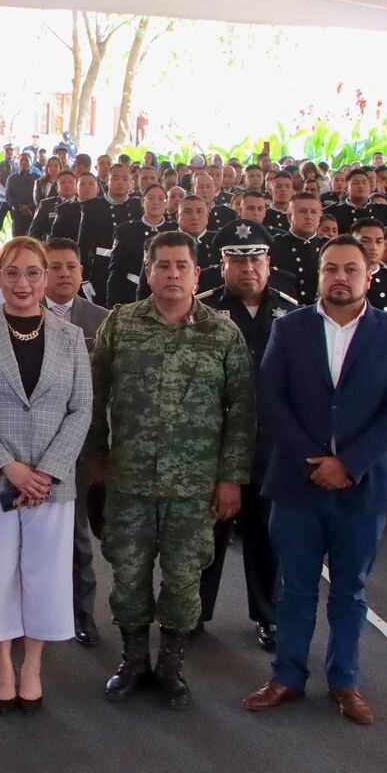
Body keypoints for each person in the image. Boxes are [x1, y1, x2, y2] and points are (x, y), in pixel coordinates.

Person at [243, 237, 387, 725]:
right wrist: (314, 461)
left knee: (350, 592)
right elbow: (271, 398)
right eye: (330, 269)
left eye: (351, 269)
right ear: (318, 274)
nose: (340, 277)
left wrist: (349, 464)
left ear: (369, 276)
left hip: (363, 488)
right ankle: (287, 677)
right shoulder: (291, 329)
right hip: (298, 485)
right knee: (294, 590)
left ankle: (345, 681)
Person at [88, 230, 255, 711]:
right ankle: (134, 660)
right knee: (129, 574)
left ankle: (171, 665)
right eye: (162, 265)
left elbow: (241, 412)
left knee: (184, 580)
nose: (172, 274)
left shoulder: (222, 333)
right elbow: (95, 398)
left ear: (197, 273)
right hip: (129, 481)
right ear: (148, 271)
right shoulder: (121, 324)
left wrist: (230, 478)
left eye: (181, 265)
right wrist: (96, 461)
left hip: (194, 486)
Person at [0, 236, 92, 714]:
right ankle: (3, 666)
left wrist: (47, 471)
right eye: (13, 272)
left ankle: (32, 664)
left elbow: (81, 410)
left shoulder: (71, 338)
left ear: (47, 278)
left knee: (46, 575)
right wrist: (9, 466)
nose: (24, 282)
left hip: (52, 482)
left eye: (34, 272)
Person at [194, 229, 293, 650]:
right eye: (238, 261)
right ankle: (193, 612)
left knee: (267, 533)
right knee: (207, 532)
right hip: (214, 439)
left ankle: (268, 616)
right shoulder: (203, 311)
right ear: (223, 266)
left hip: (271, 444)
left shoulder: (291, 313)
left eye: (256, 261)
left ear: (268, 263)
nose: (248, 269)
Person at [40, 238, 110, 646]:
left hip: (82, 444)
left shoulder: (102, 319)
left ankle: (82, 614)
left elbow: (109, 388)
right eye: (55, 267)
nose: (64, 274)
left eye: (71, 267)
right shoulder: (25, 315)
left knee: (78, 534)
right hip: (34, 443)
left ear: (82, 272)